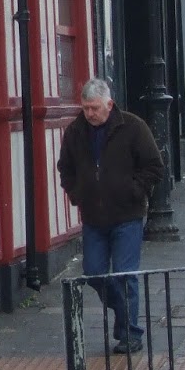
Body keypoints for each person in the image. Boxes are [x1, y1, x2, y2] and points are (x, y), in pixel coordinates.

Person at [56, 78, 165, 355]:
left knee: (124, 273)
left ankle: (130, 333)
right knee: (93, 271)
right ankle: (123, 311)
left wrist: (136, 190)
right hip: (94, 216)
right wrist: (76, 194)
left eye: (94, 108)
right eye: (85, 108)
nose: (90, 114)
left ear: (109, 104)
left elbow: (154, 165)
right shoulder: (75, 132)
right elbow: (65, 168)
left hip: (127, 214)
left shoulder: (132, 127)